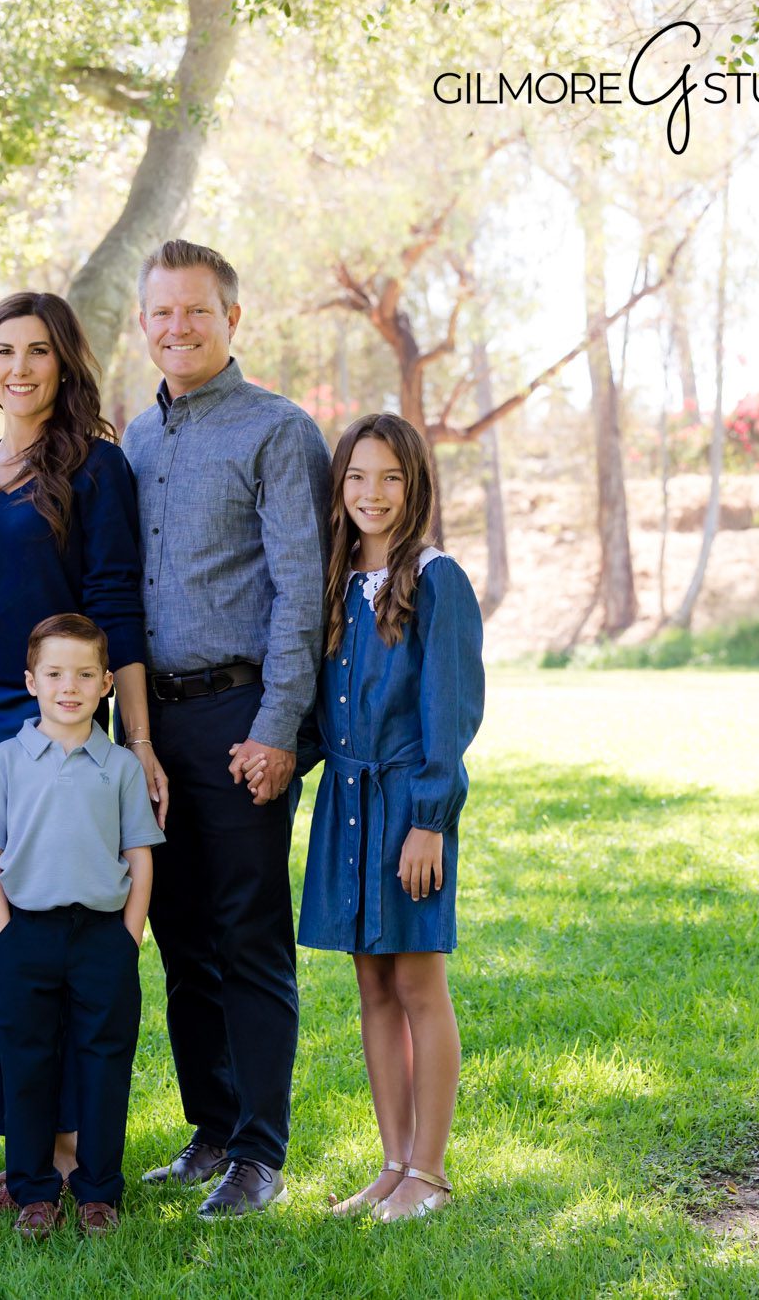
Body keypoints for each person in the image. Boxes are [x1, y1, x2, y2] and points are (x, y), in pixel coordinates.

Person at [0, 290, 164, 1208]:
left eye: (35, 352)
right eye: (2, 350)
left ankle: (68, 1145)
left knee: (60, 930)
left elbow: (115, 606)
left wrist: (134, 737)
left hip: (59, 726)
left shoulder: (98, 469)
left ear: (64, 363)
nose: (17, 367)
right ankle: (23, 1134)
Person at [122, 239, 331, 1218]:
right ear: (141, 323)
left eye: (195, 311)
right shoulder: (136, 441)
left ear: (231, 319)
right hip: (151, 729)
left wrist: (278, 726)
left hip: (241, 720)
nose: (177, 327)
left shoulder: (277, 432)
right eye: (160, 313)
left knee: (248, 936)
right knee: (177, 934)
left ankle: (259, 1151)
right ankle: (210, 1129)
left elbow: (302, 587)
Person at [298, 413, 483, 1222]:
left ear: (416, 487)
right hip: (346, 805)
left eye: (391, 478)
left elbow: (452, 707)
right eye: (357, 477)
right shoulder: (335, 581)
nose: (372, 494)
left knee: (415, 978)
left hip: (408, 802)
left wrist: (430, 818)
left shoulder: (438, 578)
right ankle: (394, 1160)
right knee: (370, 982)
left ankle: (431, 1171)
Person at [0, 614, 164, 1241]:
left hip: (103, 935)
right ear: (31, 681)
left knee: (105, 1062)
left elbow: (140, 856)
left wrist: (129, 936)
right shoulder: (6, 760)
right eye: (54, 674)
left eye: (83, 675)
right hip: (27, 933)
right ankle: (33, 1190)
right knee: (27, 1063)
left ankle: (99, 1191)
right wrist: (4, 933)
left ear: (107, 684)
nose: (68, 687)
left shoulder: (121, 768)